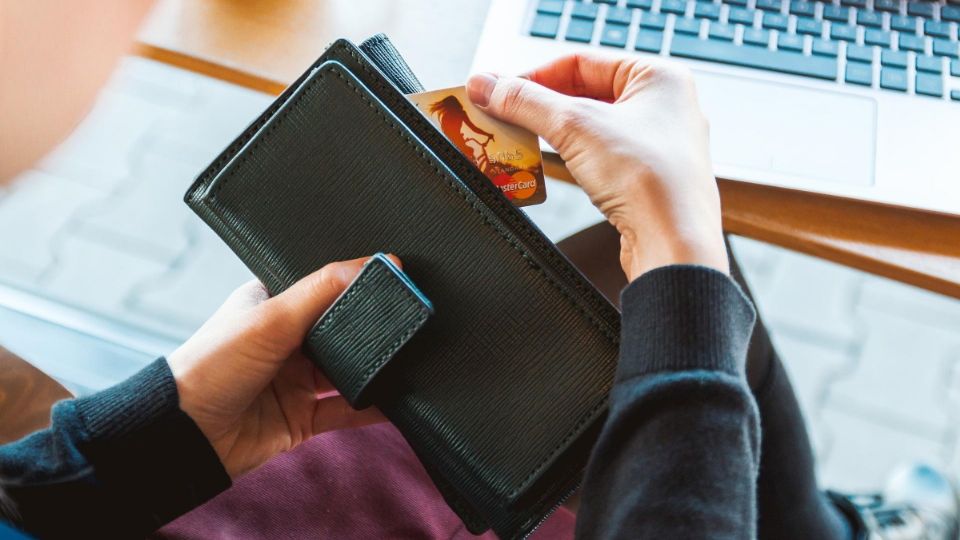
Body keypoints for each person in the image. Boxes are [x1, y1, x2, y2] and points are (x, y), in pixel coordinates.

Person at [0, 3, 956, 540]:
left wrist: (152, 437)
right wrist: (682, 247)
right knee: (675, 310)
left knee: (619, 305)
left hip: (153, 489)